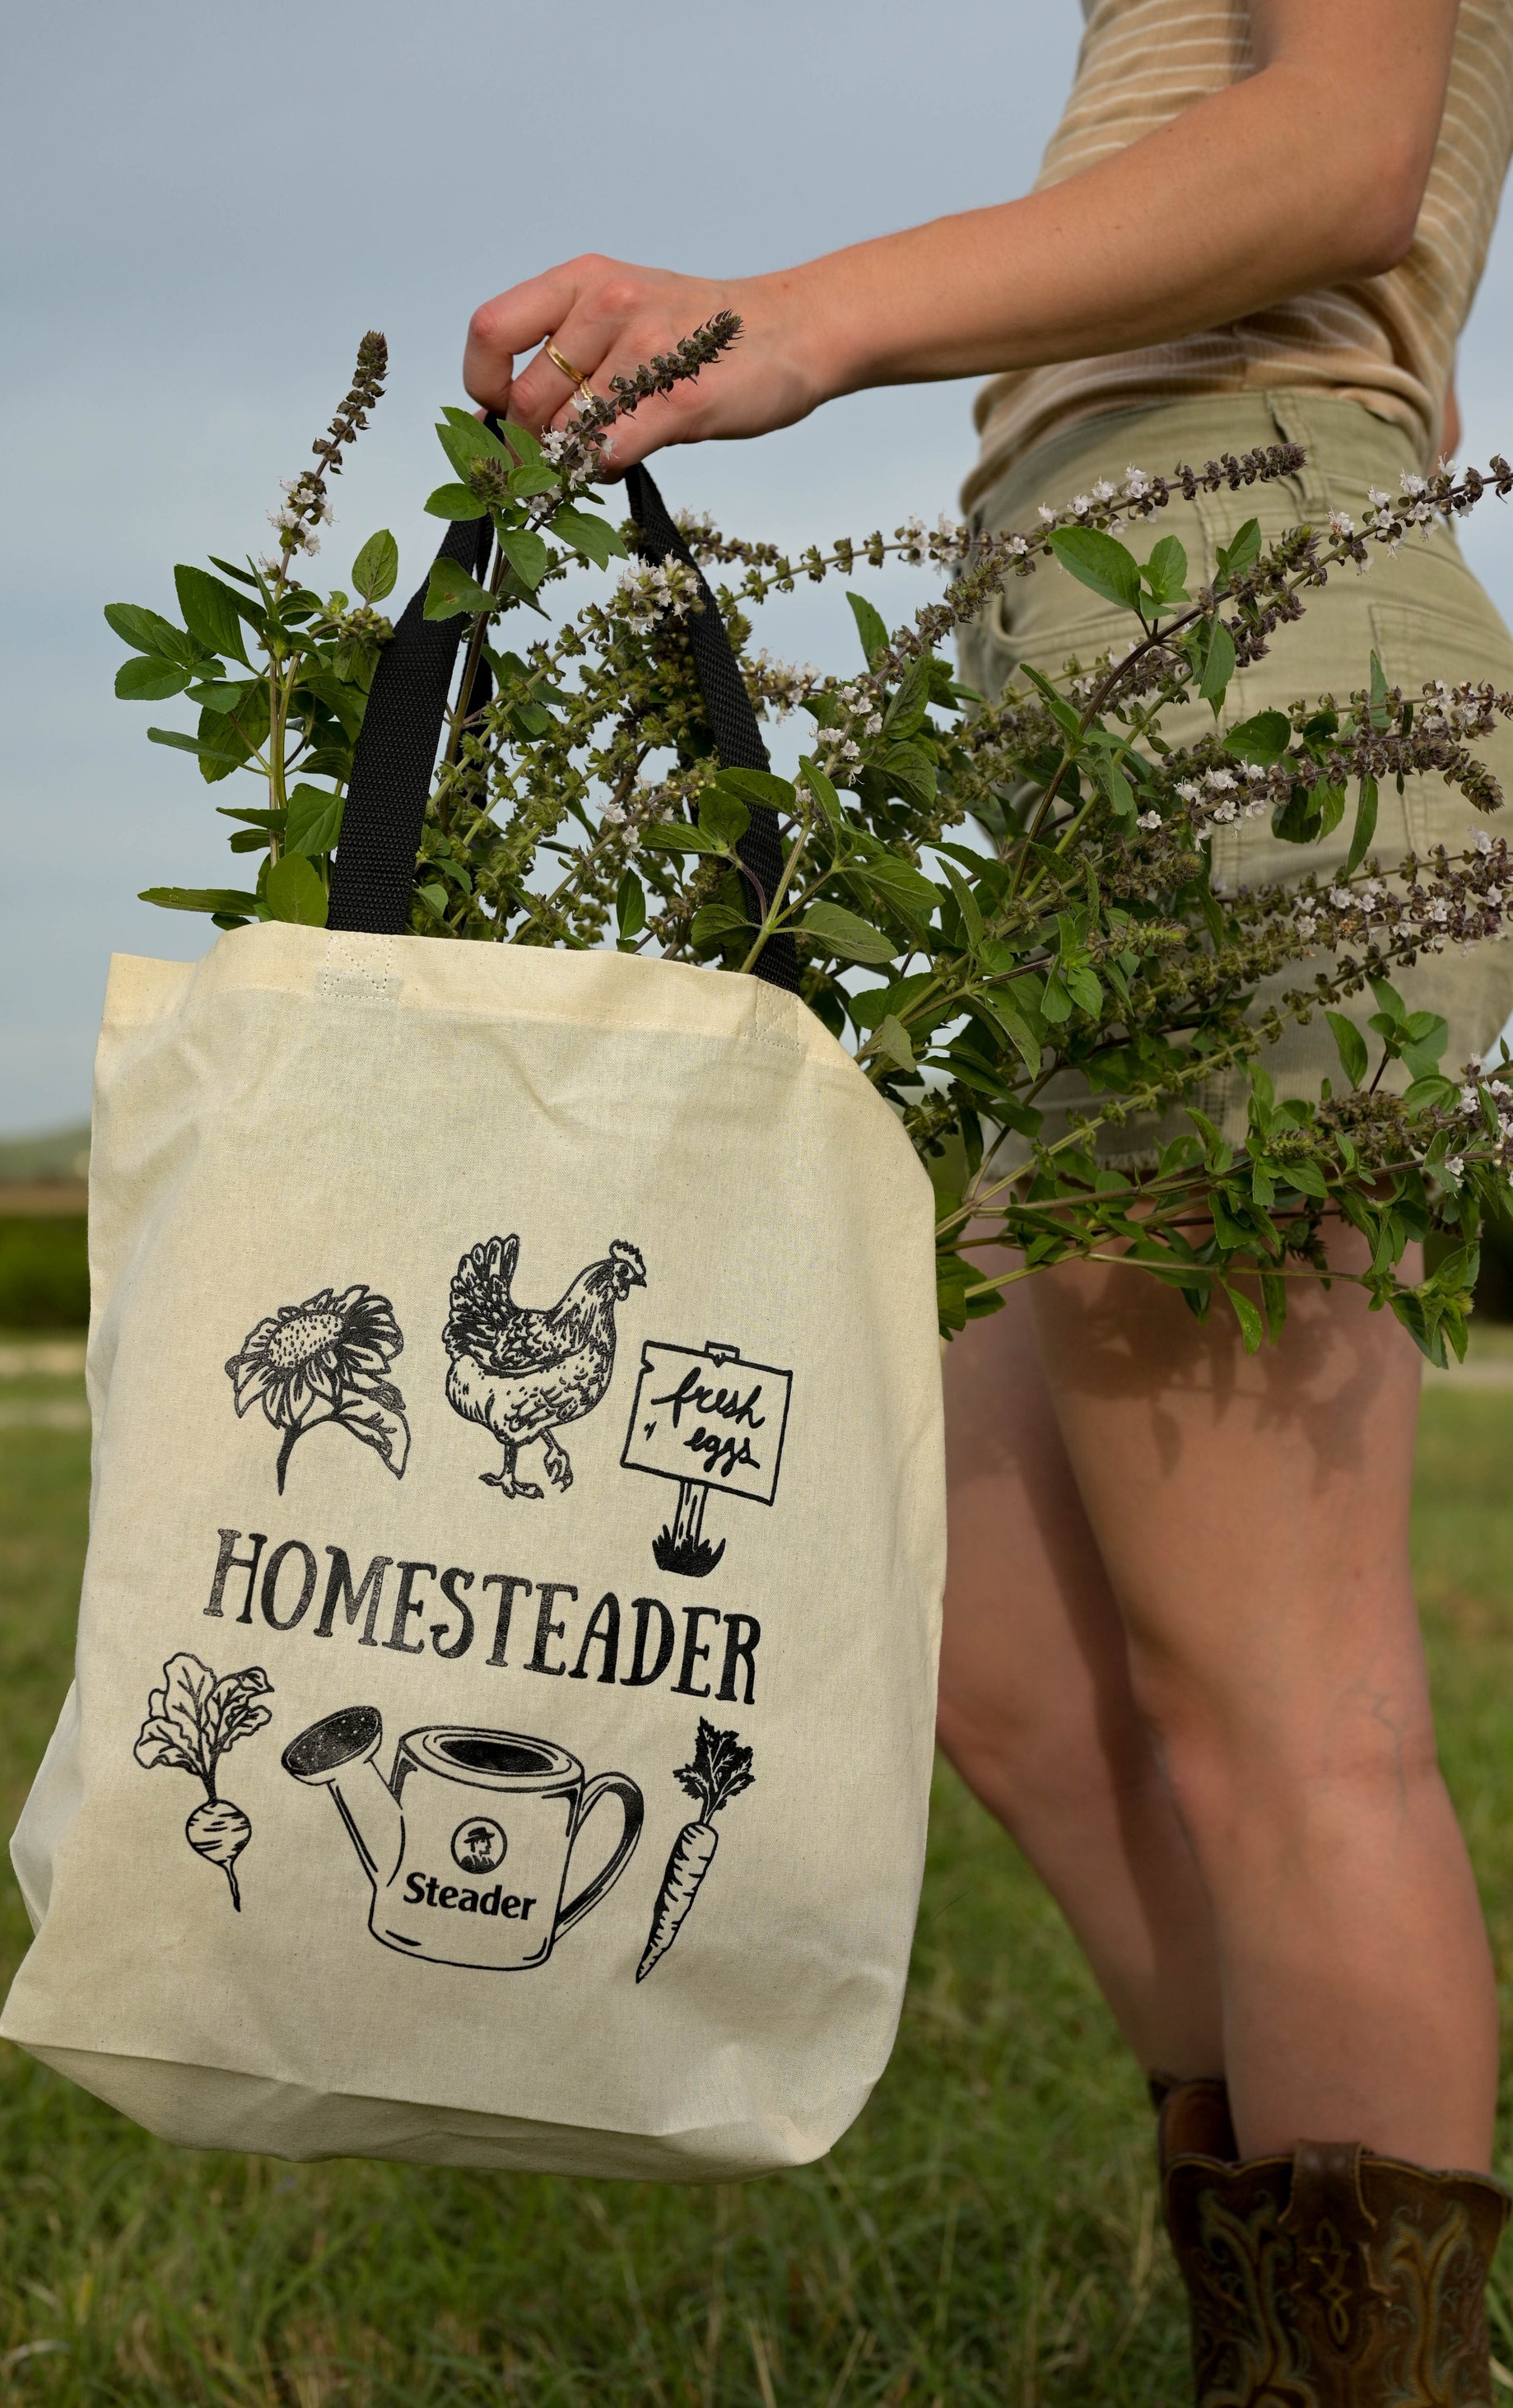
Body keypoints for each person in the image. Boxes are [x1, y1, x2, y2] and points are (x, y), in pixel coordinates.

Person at [466, 5, 1513, 2392]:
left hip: (1250, 660)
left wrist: (803, 319)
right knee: (984, 1615)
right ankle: (1300, 2283)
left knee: (1286, 1706)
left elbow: (1342, 152)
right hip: (1150, 640)